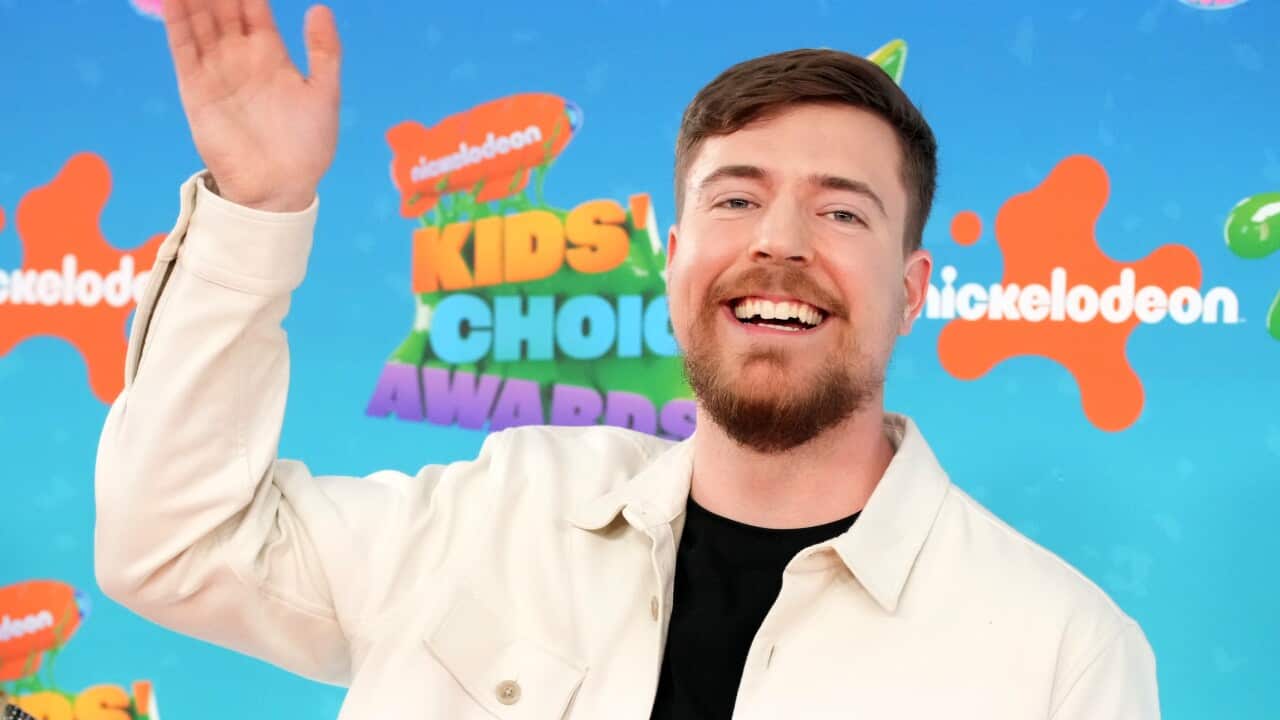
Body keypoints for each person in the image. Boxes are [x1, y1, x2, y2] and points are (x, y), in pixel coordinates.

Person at [93, 1, 1160, 718]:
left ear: (912, 290)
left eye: (840, 211)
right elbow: (171, 543)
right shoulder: (494, 514)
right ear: (675, 257)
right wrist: (255, 204)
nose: (776, 242)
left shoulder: (1061, 654)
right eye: (734, 198)